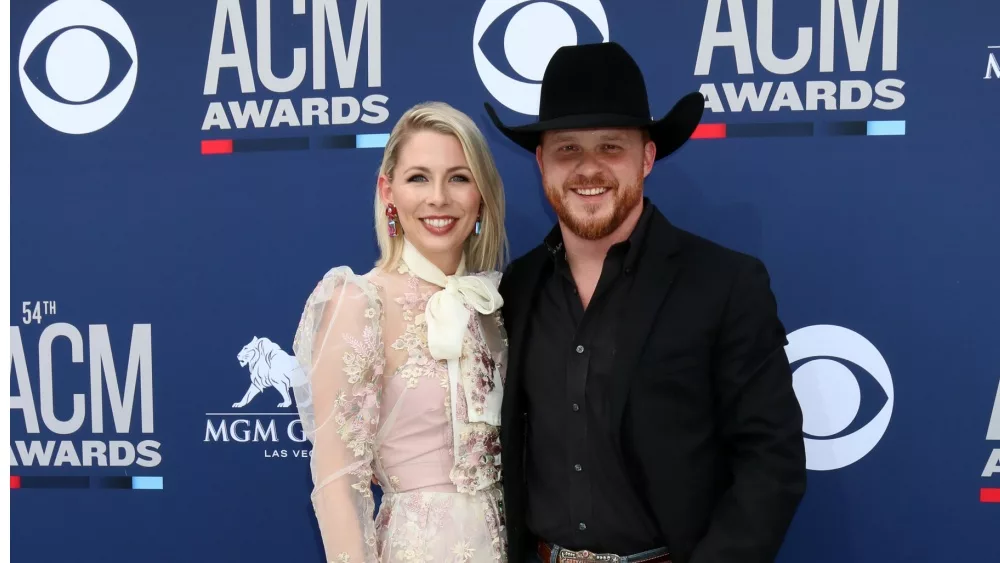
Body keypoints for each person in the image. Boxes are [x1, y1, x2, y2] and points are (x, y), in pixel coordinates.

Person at [484, 42, 807, 563]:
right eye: (567, 149)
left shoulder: (724, 283)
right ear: (542, 163)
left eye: (611, 147)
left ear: (647, 158)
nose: (588, 169)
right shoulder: (517, 287)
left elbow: (773, 462)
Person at [292, 101, 510, 563]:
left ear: (482, 195)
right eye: (418, 178)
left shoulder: (495, 304)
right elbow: (337, 482)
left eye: (459, 177)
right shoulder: (359, 302)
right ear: (388, 191)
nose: (438, 198)